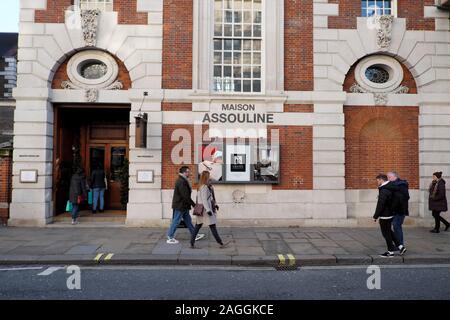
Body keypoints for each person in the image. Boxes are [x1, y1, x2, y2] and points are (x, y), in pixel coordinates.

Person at [191, 171, 230, 249]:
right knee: (212, 226)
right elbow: (204, 200)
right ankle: (220, 243)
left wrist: (215, 205)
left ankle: (192, 242)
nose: (210, 177)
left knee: (198, 225)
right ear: (206, 177)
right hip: (205, 210)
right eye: (209, 176)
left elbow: (210, 198)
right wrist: (208, 210)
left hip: (204, 209)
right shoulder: (204, 187)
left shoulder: (207, 186)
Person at [167, 166, 205, 244]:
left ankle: (194, 234)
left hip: (183, 205)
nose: (189, 173)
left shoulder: (184, 180)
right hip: (180, 205)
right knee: (176, 221)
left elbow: (186, 195)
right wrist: (194, 205)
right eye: (188, 172)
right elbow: (185, 196)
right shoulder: (181, 181)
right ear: (184, 172)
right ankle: (170, 237)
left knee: (188, 221)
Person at [373, 174, 404, 257]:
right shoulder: (391, 186)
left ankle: (390, 252)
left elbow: (381, 204)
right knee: (389, 231)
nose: (377, 182)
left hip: (385, 214)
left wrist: (375, 216)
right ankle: (400, 247)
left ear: (381, 180)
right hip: (390, 213)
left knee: (386, 233)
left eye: (378, 181)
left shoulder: (384, 190)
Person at [386, 171, 409, 253]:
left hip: (399, 211)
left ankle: (400, 245)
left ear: (394, 177)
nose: (388, 179)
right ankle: (399, 245)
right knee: (395, 227)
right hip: (394, 210)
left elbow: (405, 197)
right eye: (387, 177)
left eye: (389, 177)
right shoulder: (392, 185)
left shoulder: (401, 185)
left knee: (397, 226)